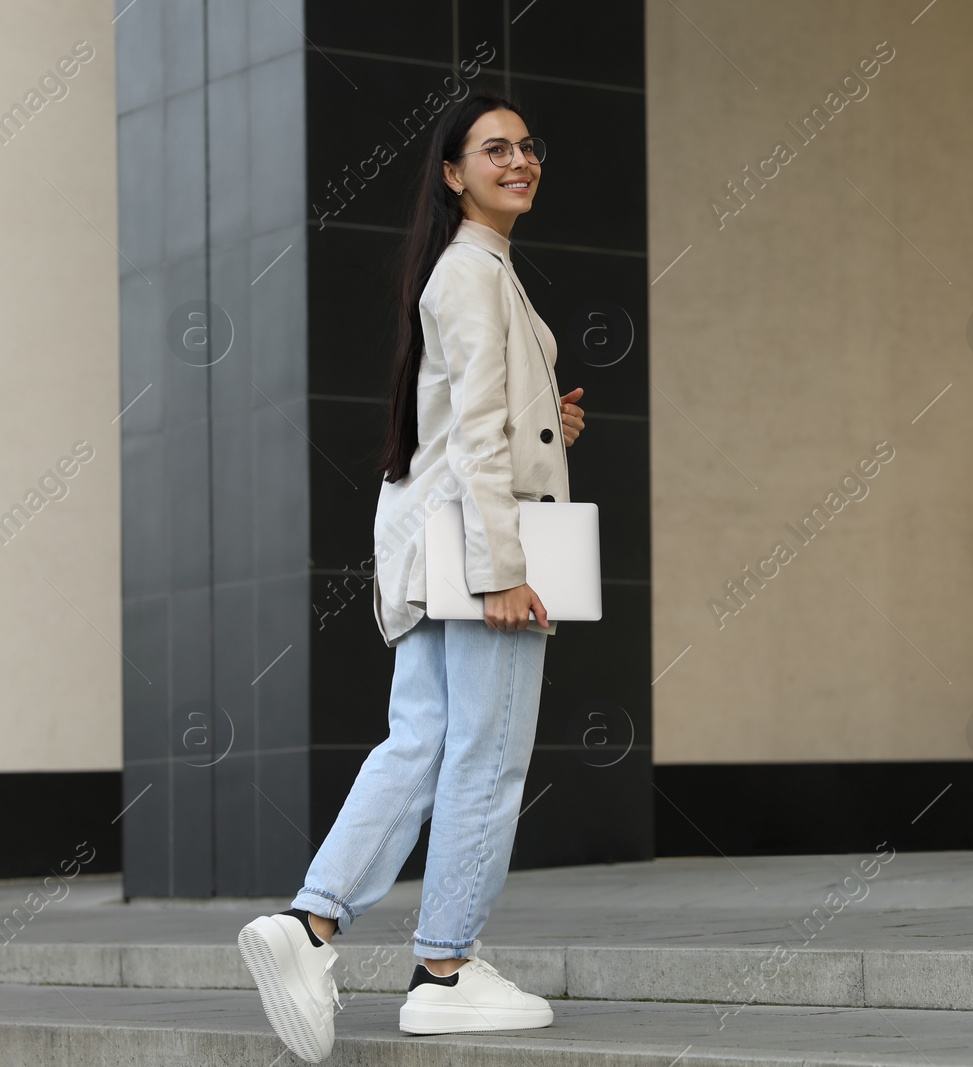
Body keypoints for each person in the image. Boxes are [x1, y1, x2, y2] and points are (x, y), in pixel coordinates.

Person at [236, 91, 586, 1063]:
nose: (519, 160)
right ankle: (446, 968)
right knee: (488, 753)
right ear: (452, 171)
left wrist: (548, 414)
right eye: (493, 148)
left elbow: (471, 420)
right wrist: (506, 571)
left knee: (420, 738)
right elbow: (476, 437)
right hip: (481, 550)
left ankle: (309, 924)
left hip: (436, 543)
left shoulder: (467, 272)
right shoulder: (471, 273)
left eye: (527, 146)